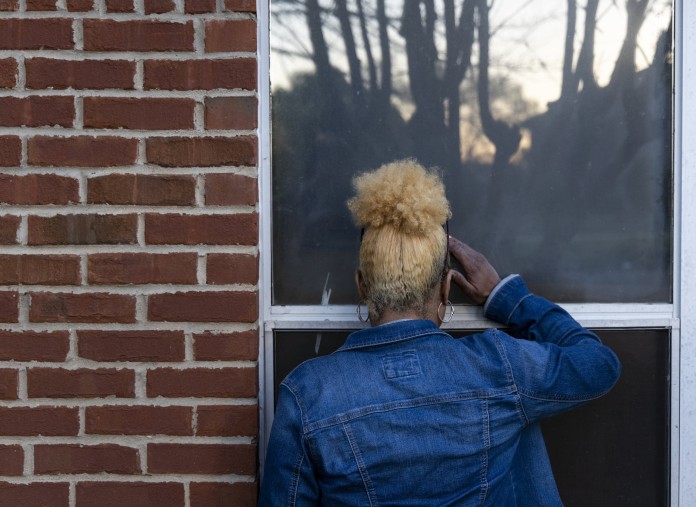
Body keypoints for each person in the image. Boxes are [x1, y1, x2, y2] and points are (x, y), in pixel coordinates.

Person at [259, 159, 621, 506]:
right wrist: (507, 298)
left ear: (361, 286)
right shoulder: (500, 366)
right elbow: (598, 364)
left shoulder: (308, 393)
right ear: (448, 287)